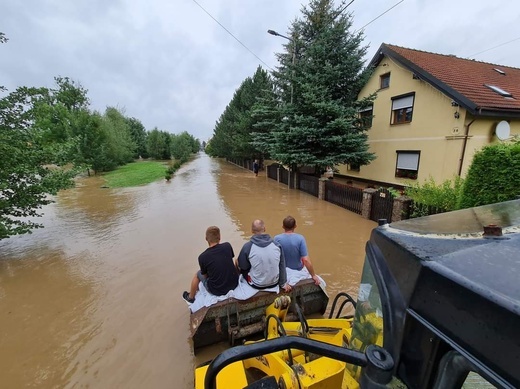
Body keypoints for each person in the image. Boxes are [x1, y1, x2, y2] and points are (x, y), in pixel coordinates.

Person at [182, 226, 239, 303]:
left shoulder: (202, 257)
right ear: (219, 237)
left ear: (206, 239)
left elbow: (205, 276)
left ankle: (190, 297)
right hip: (234, 284)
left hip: (217, 291)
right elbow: (229, 262)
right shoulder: (227, 246)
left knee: (198, 274)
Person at [237, 219, 291, 292]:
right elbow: (282, 266)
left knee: (239, 262)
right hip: (274, 283)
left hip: (257, 284)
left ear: (252, 231)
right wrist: (283, 284)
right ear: (265, 229)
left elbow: (243, 266)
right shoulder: (277, 245)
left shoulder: (247, 247)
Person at [274, 216, 320, 285]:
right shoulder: (300, 238)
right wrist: (313, 275)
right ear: (295, 226)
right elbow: (306, 260)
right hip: (297, 269)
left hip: (283, 270)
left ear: (283, 226)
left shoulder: (276, 238)